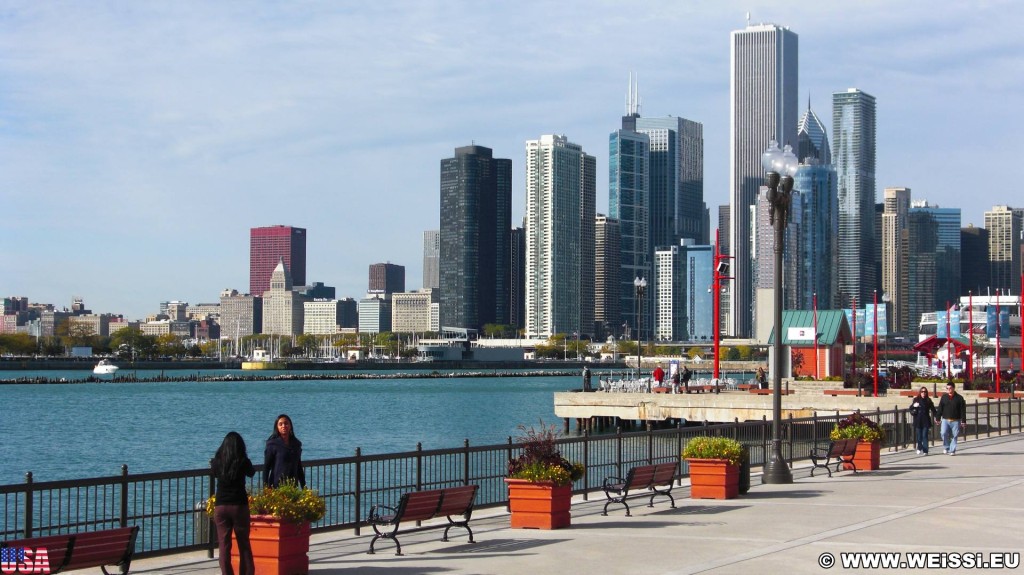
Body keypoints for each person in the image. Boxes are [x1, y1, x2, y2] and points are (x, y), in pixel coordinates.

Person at [212, 432, 256, 575]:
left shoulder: (217, 461)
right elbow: (252, 472)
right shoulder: (242, 460)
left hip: (221, 506)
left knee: (224, 545)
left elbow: (214, 473)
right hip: (239, 505)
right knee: (243, 544)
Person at [264, 414, 306, 487]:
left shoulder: (296, 444)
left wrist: (304, 486)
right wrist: (265, 487)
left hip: (292, 487)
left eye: (286, 423)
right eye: (280, 424)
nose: (283, 426)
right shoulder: (272, 444)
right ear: (277, 427)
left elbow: (298, 467)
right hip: (276, 486)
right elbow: (266, 468)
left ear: (290, 426)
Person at [935, 382, 967, 455]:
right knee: (943, 433)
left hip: (956, 420)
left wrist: (963, 421)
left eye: (950, 388)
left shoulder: (959, 398)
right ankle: (947, 447)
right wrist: (938, 418)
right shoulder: (944, 397)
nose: (949, 390)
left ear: (953, 388)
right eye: (947, 388)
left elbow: (963, 410)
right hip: (945, 420)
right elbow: (940, 408)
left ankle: (952, 450)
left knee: (954, 436)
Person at [909, 387, 937, 455]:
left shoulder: (928, 400)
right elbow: (911, 408)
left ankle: (925, 450)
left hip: (926, 420)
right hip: (918, 420)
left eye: (925, 392)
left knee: (925, 436)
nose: (923, 393)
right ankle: (919, 447)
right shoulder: (916, 399)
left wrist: (937, 417)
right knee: (919, 436)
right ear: (920, 392)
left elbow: (933, 410)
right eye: (922, 392)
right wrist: (914, 406)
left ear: (926, 393)